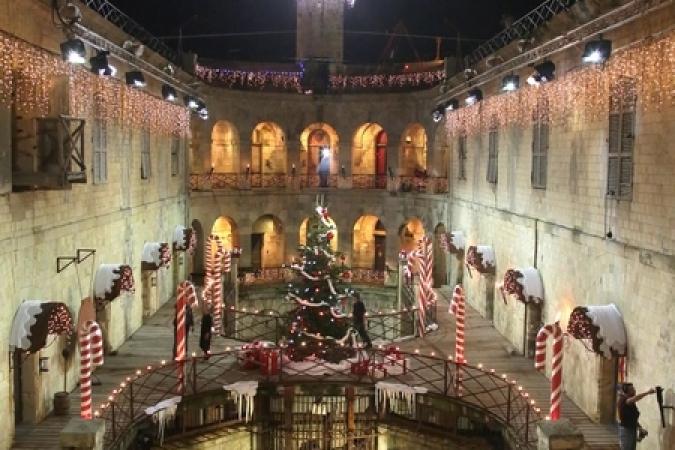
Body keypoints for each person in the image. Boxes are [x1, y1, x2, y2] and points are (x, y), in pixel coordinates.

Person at [617, 382, 655, 449]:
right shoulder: (624, 399)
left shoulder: (630, 403)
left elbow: (631, 417)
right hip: (626, 430)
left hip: (632, 429)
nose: (634, 390)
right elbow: (635, 398)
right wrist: (648, 393)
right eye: (632, 389)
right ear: (627, 391)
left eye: (634, 388)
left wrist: (640, 428)